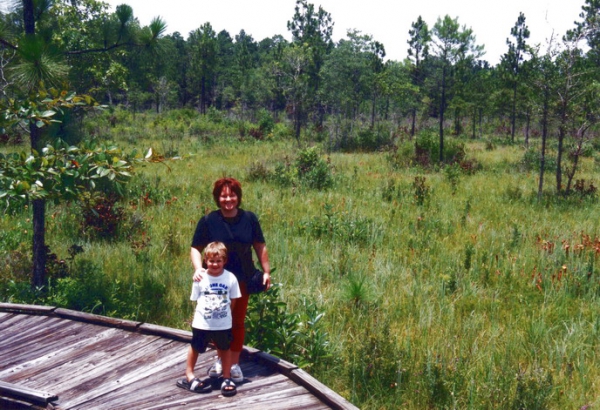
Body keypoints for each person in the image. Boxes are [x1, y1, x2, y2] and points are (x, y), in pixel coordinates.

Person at [190, 177, 271, 384]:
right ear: (218, 198)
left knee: (237, 322)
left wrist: (266, 271)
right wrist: (199, 269)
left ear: (238, 196)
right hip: (216, 280)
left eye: (232, 194)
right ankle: (220, 360)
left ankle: (233, 364)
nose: (228, 199)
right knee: (218, 321)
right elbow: (195, 248)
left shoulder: (249, 219)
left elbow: (260, 245)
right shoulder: (209, 221)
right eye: (223, 195)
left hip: (242, 278)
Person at [177, 241, 241, 396]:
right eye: (211, 261)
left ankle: (226, 377)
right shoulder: (200, 278)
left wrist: (226, 314)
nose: (215, 264)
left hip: (223, 323)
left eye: (219, 261)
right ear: (205, 260)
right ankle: (189, 375)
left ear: (224, 261)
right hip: (202, 323)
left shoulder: (231, 278)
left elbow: (233, 299)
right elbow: (196, 299)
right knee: (196, 347)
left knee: (225, 348)